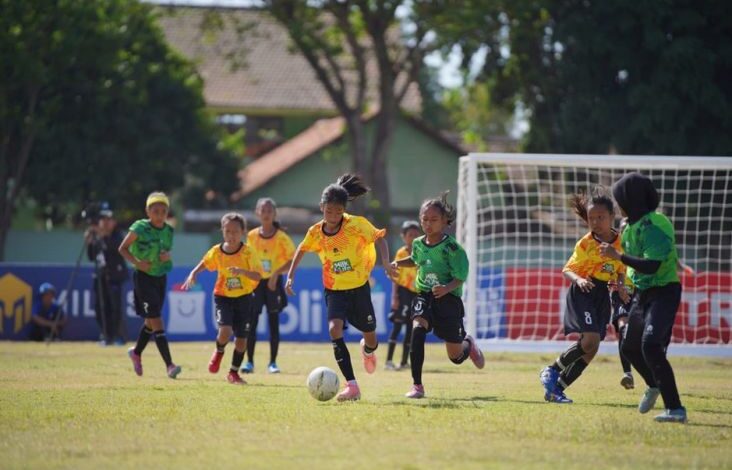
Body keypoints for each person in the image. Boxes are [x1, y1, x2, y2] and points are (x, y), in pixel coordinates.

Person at [285, 174, 397, 401]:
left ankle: (367, 350)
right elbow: (302, 250)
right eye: (329, 211)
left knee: (372, 339)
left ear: (344, 210)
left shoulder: (356, 225)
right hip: (334, 289)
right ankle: (352, 386)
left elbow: (380, 238)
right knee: (334, 329)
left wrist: (385, 262)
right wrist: (290, 276)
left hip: (359, 287)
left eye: (338, 212)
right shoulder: (315, 232)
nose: (333, 216)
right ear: (321, 207)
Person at [600, 172, 687, 423]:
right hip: (642, 292)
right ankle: (654, 384)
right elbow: (636, 266)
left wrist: (618, 257)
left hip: (664, 291)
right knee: (629, 346)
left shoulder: (655, 225)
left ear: (631, 199)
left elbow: (651, 266)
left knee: (650, 345)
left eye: (619, 199)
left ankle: (676, 409)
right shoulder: (629, 227)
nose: (617, 204)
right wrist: (625, 283)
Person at [392, 192, 485, 399]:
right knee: (417, 330)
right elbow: (415, 260)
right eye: (425, 219)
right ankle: (417, 385)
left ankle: (468, 344)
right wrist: (398, 263)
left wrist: (446, 288)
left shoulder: (452, 248)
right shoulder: (417, 244)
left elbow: (461, 276)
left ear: (444, 222)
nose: (428, 223)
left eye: (434, 220)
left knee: (455, 357)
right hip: (424, 294)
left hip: (449, 299)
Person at [539, 189, 626, 404]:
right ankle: (551, 370)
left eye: (600, 217)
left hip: (602, 294)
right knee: (590, 340)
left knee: (591, 349)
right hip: (584, 292)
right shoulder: (586, 243)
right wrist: (579, 280)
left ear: (611, 216)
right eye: (591, 218)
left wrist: (622, 287)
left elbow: (621, 269)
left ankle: (556, 390)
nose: (595, 222)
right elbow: (568, 269)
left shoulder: (621, 242)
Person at [183, 212, 261, 385]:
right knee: (225, 331)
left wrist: (242, 272)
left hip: (245, 298)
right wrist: (194, 272)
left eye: (235, 231)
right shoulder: (217, 252)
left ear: (242, 232)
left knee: (242, 341)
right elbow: (205, 262)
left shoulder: (248, 252)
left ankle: (233, 373)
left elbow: (257, 276)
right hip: (223, 296)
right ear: (223, 232)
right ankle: (219, 352)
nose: (231, 235)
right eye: (227, 231)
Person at [118, 191, 181, 379]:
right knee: (157, 320)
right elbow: (122, 248)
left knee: (150, 321)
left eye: (163, 211)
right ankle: (170, 365)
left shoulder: (169, 231)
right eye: (155, 210)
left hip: (160, 277)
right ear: (148, 211)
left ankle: (136, 353)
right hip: (143, 277)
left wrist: (166, 256)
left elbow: (166, 252)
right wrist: (137, 263)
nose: (159, 214)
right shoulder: (139, 227)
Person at [242, 198, 295, 374]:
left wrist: (275, 274)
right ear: (258, 213)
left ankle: (273, 363)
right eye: (263, 211)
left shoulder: (281, 237)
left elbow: (292, 260)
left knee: (273, 323)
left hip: (273, 284)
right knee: (252, 323)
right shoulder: (251, 236)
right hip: (255, 283)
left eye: (269, 211)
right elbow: (247, 259)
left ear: (274, 214)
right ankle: (249, 362)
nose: (266, 214)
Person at [86, 205, 129, 345]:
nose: (105, 222)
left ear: (114, 222)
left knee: (114, 307)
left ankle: (117, 336)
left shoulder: (118, 235)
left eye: (108, 219)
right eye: (102, 219)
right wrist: (89, 243)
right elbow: (92, 256)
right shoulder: (97, 237)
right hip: (100, 277)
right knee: (100, 308)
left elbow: (117, 249)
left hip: (115, 276)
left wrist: (103, 236)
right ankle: (105, 335)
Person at [385, 220, 421, 371]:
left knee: (410, 328)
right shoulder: (401, 253)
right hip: (403, 292)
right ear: (403, 237)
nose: (413, 238)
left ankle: (404, 362)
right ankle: (388, 361)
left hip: (416, 293)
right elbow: (395, 278)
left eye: (416, 235)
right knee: (397, 325)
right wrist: (395, 297)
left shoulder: (422, 253)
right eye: (410, 235)